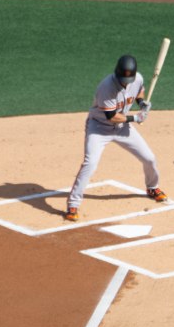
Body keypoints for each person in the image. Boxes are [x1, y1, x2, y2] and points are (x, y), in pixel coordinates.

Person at [64, 54, 166, 222]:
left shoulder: (137, 79)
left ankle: (152, 187)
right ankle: (73, 204)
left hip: (122, 128)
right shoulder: (106, 87)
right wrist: (136, 118)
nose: (125, 83)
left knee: (149, 158)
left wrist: (141, 103)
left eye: (128, 80)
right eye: (122, 80)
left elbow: (139, 90)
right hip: (99, 128)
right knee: (90, 163)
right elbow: (111, 116)